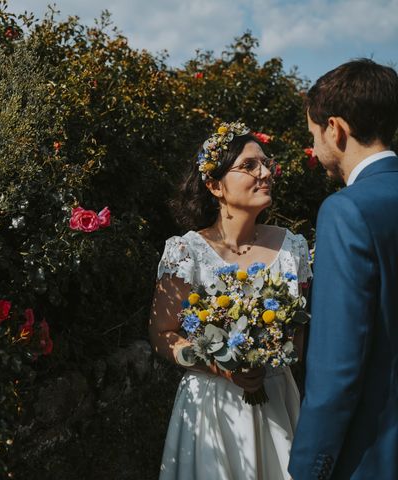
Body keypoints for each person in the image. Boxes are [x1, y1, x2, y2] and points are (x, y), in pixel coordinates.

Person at [150, 121, 312, 480]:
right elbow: (163, 334)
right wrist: (222, 366)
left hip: (276, 399)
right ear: (214, 185)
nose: (266, 172)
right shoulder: (186, 251)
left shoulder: (293, 248)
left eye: (266, 163)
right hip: (211, 404)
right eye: (250, 166)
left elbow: (297, 341)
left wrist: (269, 357)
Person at [288, 59, 398, 479]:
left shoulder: (347, 211)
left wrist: (308, 470)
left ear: (335, 129)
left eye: (313, 136)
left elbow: (337, 370)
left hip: (374, 456)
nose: (315, 149)